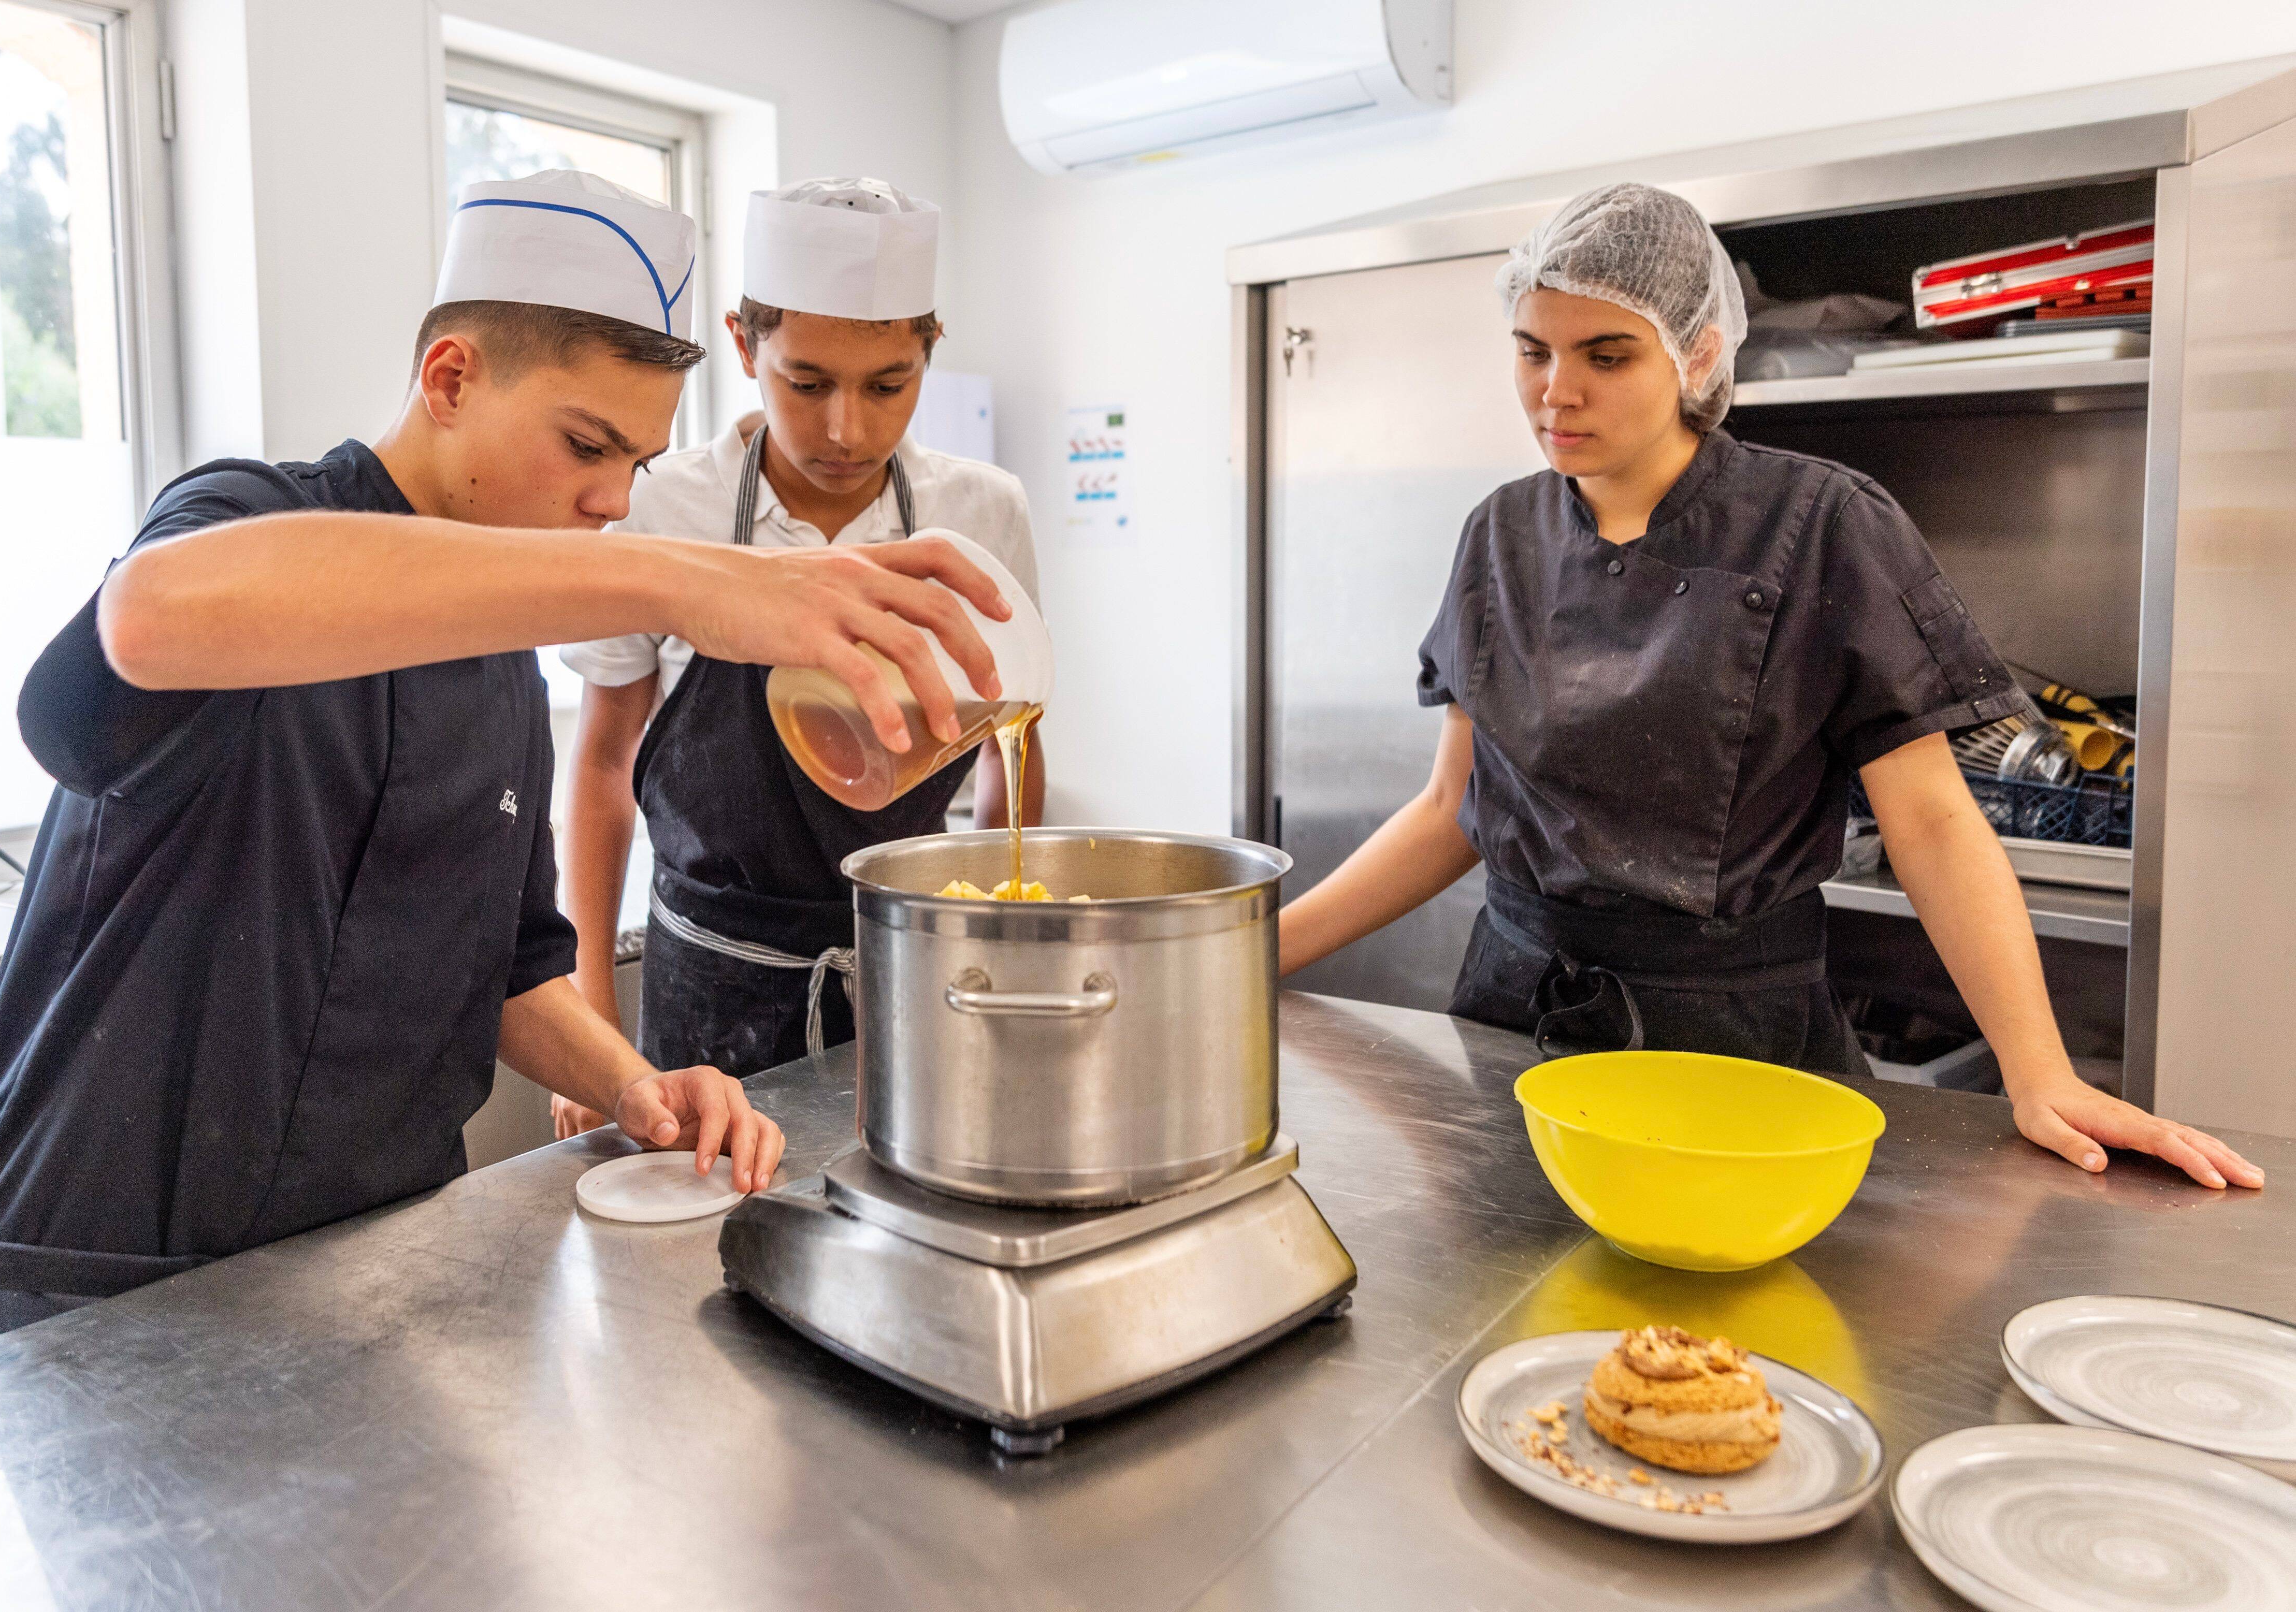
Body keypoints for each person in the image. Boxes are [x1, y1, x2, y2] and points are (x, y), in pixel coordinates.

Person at [0, 169, 1023, 1362]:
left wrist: (634, 1082)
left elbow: (504, 962)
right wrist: (673, 576)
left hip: (356, 1279)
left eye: (637, 465)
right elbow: (153, 620)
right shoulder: (248, 515)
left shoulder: (498, 656)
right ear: (450, 379)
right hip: (81, 1289)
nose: (610, 501)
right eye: (586, 445)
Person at [1278, 182, 2262, 1193]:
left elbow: (1929, 821)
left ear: (1697, 354)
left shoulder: (1823, 522)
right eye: (1533, 350)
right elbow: (1456, 806)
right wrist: (1253, 959)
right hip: (1510, 1017)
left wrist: (2039, 1074)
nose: (1553, 393)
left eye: (1605, 355)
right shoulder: (1500, 533)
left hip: (1731, 1041)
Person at [553, 178, 1041, 1135]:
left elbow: (1009, 745)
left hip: (913, 972)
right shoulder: (659, 506)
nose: (844, 430)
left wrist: (1008, 949)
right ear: (743, 346)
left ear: (928, 354)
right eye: (806, 383)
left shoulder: (982, 513)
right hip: (706, 991)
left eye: (888, 384)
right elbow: (605, 764)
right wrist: (589, 1020)